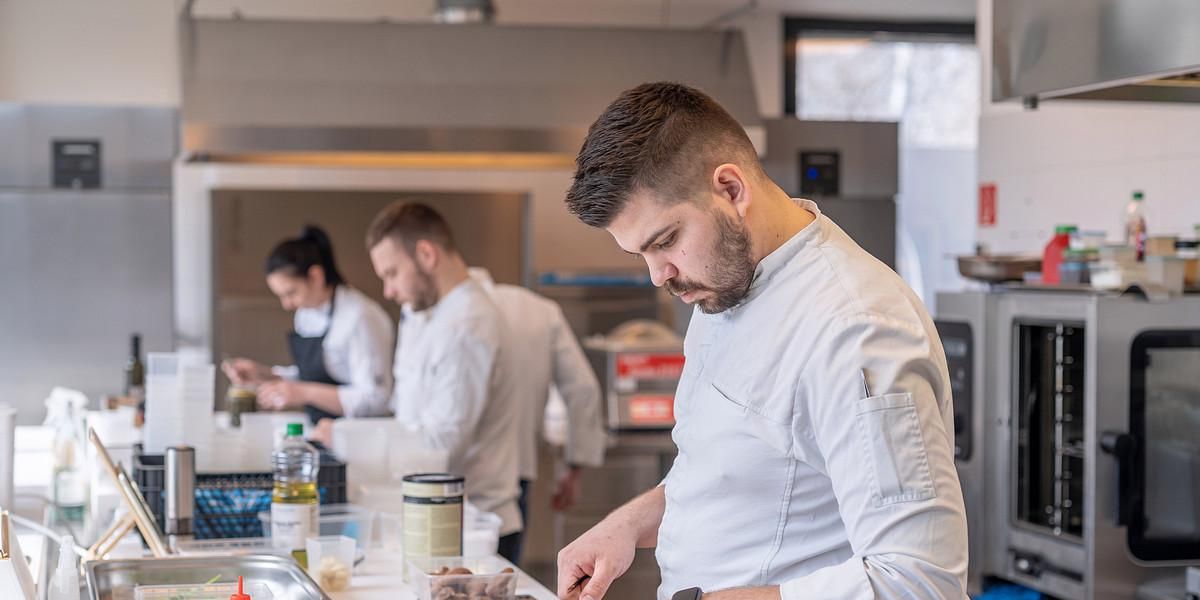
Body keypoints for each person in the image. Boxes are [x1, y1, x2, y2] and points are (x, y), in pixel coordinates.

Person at [555, 82, 968, 600]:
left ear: (731, 189)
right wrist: (628, 524)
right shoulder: (723, 285)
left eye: (665, 241)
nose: (658, 275)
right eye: (640, 254)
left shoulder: (857, 329)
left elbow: (918, 581)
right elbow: (733, 469)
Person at [364, 203, 523, 562]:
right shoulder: (432, 314)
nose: (388, 290)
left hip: (474, 530)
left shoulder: (467, 324)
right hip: (442, 517)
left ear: (426, 254)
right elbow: (409, 413)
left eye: (391, 273)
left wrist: (353, 441)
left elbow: (441, 444)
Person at [468, 267, 606, 564]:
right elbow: (583, 388)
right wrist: (574, 466)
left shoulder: (439, 312)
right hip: (514, 475)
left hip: (442, 479)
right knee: (500, 582)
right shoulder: (539, 310)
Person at [222, 225, 394, 425]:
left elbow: (376, 399)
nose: (287, 305)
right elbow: (312, 375)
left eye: (291, 293)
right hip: (323, 429)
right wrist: (265, 374)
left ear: (315, 276)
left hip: (358, 437)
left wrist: (303, 392)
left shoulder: (360, 317)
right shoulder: (306, 313)